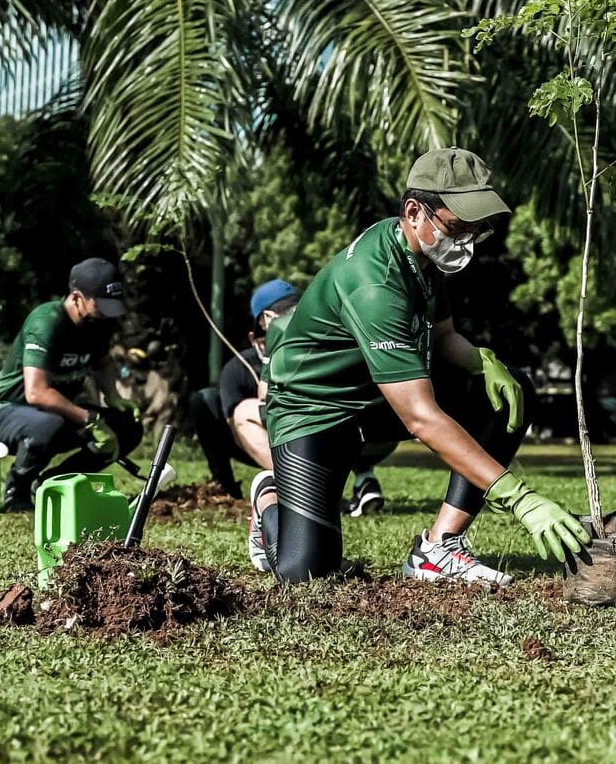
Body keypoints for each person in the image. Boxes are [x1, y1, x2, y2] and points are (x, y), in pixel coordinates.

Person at [252, 147, 588, 585]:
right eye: (456, 227)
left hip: (378, 399)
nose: (465, 241)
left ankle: (438, 548)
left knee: (509, 391)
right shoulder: (375, 282)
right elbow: (420, 417)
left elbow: (444, 337)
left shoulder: (424, 259)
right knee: (306, 573)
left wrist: (482, 360)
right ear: (414, 211)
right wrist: (519, 498)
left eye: (475, 229)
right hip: (314, 412)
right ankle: (267, 505)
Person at [190, 279, 392, 511]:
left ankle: (309, 489)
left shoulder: (313, 344)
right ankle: (227, 485)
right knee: (215, 404)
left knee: (248, 413)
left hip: (331, 433)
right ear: (261, 326)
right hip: (270, 441)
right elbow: (235, 426)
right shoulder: (238, 368)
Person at [0, 258, 145, 513]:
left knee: (128, 428)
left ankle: (52, 484)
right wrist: (89, 418)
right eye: (101, 305)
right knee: (48, 425)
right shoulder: (47, 322)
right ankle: (17, 493)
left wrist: (113, 397)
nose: (107, 313)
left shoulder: (97, 325)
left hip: (55, 414)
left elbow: (102, 364)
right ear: (77, 297)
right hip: (5, 412)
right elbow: (36, 393)